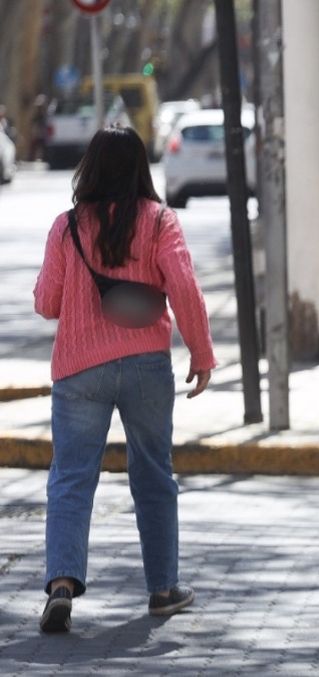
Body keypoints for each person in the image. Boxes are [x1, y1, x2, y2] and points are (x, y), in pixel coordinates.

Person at [32, 126, 214, 633]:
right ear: (140, 167)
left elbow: (47, 303)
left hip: (79, 369)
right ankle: (162, 589)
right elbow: (183, 286)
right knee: (154, 475)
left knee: (70, 478)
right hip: (145, 367)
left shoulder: (67, 227)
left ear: (89, 168)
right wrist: (201, 352)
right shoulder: (160, 221)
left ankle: (62, 585)